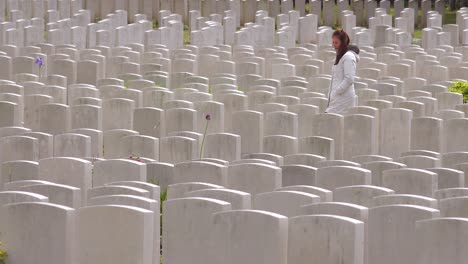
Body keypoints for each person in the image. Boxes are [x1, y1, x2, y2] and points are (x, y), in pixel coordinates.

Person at [325, 30, 360, 115]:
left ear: (343, 43)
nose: (334, 45)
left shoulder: (348, 57)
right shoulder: (340, 56)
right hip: (336, 98)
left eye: (336, 43)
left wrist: (337, 91)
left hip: (343, 98)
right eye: (333, 42)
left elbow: (349, 79)